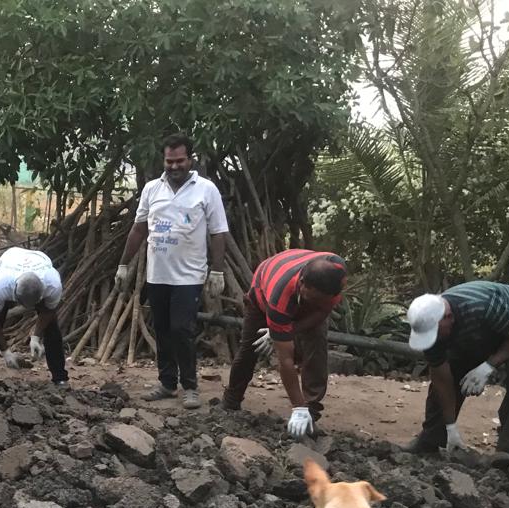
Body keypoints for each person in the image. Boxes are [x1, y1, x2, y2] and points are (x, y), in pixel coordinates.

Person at [116, 134, 229, 410]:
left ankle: (189, 387)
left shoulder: (206, 190)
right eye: (169, 161)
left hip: (189, 276)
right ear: (163, 160)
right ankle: (167, 383)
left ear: (191, 159)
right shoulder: (152, 189)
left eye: (180, 161)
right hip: (157, 274)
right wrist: (123, 264)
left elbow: (218, 232)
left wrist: (217, 271)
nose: (174, 166)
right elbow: (139, 228)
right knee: (163, 330)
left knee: (182, 330)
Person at [405, 280, 509, 455]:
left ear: (448, 317)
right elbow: (442, 379)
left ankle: (506, 450)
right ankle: (432, 439)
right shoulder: (430, 326)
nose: (433, 339)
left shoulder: (481, 305)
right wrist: (450, 427)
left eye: (435, 333)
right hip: (480, 324)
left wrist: (487, 367)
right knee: (456, 366)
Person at [221, 250, 347, 437]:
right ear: (302, 283)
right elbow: (285, 359)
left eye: (321, 301)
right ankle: (231, 401)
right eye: (312, 299)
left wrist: (288, 329)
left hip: (304, 292)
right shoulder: (279, 297)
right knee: (250, 348)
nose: (314, 304)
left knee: (317, 349)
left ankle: (310, 412)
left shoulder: (335, 276)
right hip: (263, 293)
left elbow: (322, 312)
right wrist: (297, 407)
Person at [0, 246, 68, 386]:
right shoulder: (1, 285)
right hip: (11, 258)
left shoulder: (52, 284)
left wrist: (36, 337)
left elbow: (48, 312)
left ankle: (60, 376)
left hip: (39, 260)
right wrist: (5, 351)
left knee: (52, 327)